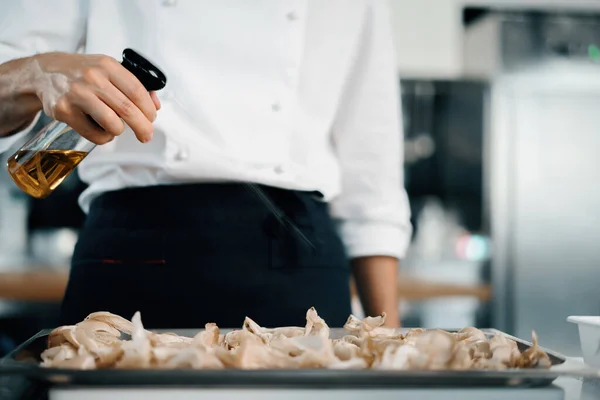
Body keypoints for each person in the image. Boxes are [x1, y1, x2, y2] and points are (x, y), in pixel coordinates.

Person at [0, 1, 411, 329]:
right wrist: (40, 70)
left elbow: (372, 184)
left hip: (298, 265)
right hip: (132, 256)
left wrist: (391, 353)